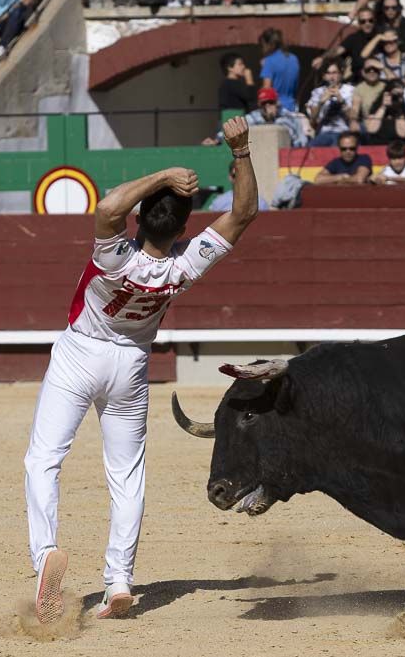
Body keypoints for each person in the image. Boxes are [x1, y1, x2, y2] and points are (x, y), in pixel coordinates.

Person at [24, 117, 259, 624]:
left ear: (141, 218)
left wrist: (162, 174)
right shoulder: (183, 266)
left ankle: (45, 555)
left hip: (80, 351)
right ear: (181, 230)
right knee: (126, 475)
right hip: (130, 363)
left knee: (44, 459)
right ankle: (119, 581)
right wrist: (239, 151)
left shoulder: (113, 256)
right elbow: (243, 213)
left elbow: (109, 207)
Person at [202, 87, 306, 148]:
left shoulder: (287, 116)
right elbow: (235, 127)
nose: (267, 106)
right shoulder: (254, 116)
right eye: (264, 103)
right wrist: (216, 140)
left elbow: (300, 140)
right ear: (259, 105)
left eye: (270, 102)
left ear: (277, 103)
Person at [306, 61, 356, 147]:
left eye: (334, 73)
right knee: (309, 148)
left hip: (344, 133)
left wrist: (341, 100)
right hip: (324, 133)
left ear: (341, 74)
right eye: (328, 73)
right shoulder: (317, 92)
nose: (332, 77)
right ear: (324, 76)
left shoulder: (351, 90)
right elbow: (313, 120)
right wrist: (321, 102)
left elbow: (353, 118)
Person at [258, 27, 299, 111]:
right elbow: (295, 85)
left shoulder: (269, 61)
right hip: (292, 106)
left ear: (269, 45)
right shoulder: (294, 59)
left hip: (276, 108)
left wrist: (264, 67)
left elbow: (267, 90)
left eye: (262, 45)